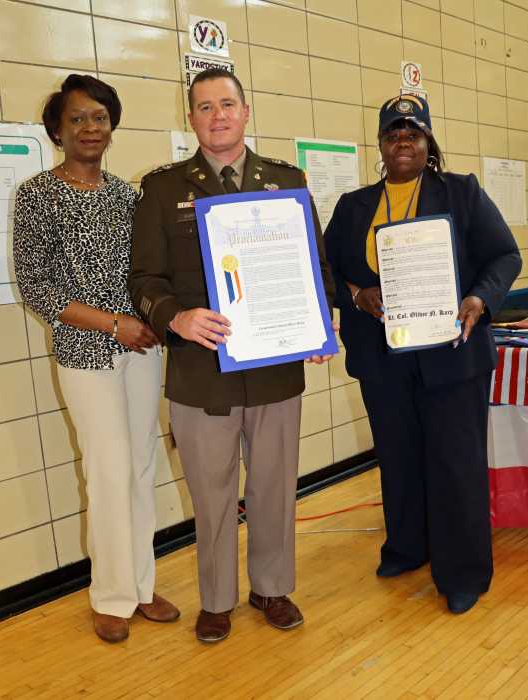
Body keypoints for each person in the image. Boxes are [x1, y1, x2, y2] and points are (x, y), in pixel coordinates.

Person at [129, 68, 335, 643]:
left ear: (246, 112)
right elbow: (143, 278)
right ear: (189, 118)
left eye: (227, 104)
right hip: (200, 375)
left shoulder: (286, 182)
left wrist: (316, 328)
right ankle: (216, 599)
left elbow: (314, 270)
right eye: (203, 107)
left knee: (274, 485)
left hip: (274, 371)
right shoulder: (163, 189)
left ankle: (271, 587)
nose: (217, 115)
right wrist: (176, 317)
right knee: (212, 494)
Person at [325, 94, 522, 614]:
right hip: (383, 358)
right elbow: (325, 270)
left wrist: (480, 298)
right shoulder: (353, 207)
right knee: (398, 456)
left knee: (456, 464)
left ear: (428, 141)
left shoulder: (461, 194)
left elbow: (505, 254)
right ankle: (407, 547)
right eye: (393, 134)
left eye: (413, 133)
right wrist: (355, 295)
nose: (403, 142)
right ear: (381, 145)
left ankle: (462, 573)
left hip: (452, 355)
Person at [13, 74, 179, 643]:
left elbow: (150, 273)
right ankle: (109, 595)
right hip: (85, 353)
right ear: (57, 129)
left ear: (112, 126)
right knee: (107, 472)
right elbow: (38, 289)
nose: (90, 127)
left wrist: (155, 320)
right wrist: (114, 323)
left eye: (100, 117)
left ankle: (140, 584)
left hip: (140, 350)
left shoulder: (128, 196)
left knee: (139, 468)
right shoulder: (37, 194)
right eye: (78, 118)